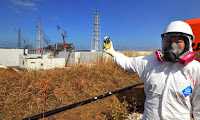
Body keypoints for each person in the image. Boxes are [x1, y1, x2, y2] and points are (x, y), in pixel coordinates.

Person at [103, 21, 200, 120]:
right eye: (169, 41)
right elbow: (127, 62)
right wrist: (113, 52)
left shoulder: (195, 69)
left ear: (188, 44)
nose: (172, 46)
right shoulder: (150, 62)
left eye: (178, 41)